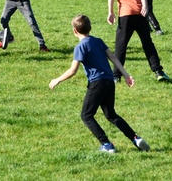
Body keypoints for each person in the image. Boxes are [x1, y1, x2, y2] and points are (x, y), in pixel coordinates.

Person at [49, 14, 150, 154]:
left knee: (86, 115)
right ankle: (135, 138)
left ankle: (106, 144)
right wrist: (125, 75)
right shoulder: (98, 41)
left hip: (97, 84)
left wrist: (57, 80)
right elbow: (113, 57)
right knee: (111, 114)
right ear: (90, 28)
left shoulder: (80, 47)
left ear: (74, 31)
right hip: (109, 81)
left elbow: (73, 70)